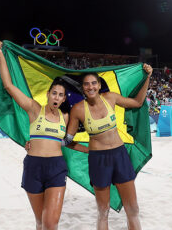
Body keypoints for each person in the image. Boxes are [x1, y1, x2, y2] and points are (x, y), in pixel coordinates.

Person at [63, 64, 152, 230]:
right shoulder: (78, 109)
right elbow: (67, 140)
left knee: (133, 209)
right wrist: (86, 150)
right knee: (103, 211)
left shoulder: (110, 97)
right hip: (98, 160)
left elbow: (138, 102)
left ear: (98, 84)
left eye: (93, 83)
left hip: (120, 156)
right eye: (86, 84)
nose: (90, 87)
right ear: (82, 88)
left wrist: (147, 77)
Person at [0, 41, 69, 230]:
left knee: (51, 224)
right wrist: (1, 55)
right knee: (40, 222)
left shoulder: (66, 117)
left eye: (61, 95)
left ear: (64, 98)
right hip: (33, 167)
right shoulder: (35, 109)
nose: (57, 98)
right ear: (48, 94)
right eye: (54, 93)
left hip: (57, 168)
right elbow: (9, 86)